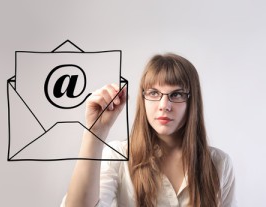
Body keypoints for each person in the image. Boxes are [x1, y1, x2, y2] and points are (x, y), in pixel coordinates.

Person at [62, 53, 237, 207]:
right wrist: (95, 133)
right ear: (143, 98)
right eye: (154, 93)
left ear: (192, 102)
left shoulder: (219, 164)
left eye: (176, 95)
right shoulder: (118, 156)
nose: (164, 106)